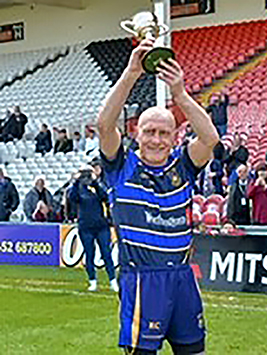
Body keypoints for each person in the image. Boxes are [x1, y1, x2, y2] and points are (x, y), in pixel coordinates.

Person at [98, 38, 218, 354]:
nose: (156, 139)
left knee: (194, 350)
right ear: (136, 132)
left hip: (181, 277)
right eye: (149, 131)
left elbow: (210, 137)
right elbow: (104, 124)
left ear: (175, 136)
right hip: (141, 279)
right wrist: (131, 73)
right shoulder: (121, 165)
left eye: (164, 133)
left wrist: (180, 94)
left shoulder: (183, 164)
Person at [68, 164, 118, 292]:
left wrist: (94, 182)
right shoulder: (78, 189)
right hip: (85, 226)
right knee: (89, 254)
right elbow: (72, 198)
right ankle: (92, 281)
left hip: (101, 225)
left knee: (106, 253)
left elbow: (105, 196)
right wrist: (76, 181)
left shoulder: (99, 186)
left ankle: (113, 280)